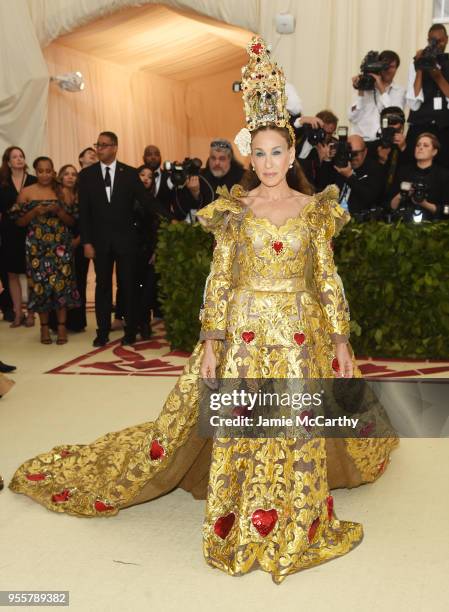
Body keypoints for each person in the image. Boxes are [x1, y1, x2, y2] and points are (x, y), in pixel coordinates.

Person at [9, 37, 397, 584]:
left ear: (291, 154)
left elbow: (327, 280)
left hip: (300, 334)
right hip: (242, 329)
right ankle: (241, 502)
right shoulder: (233, 211)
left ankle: (296, 509)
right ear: (248, 156)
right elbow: (220, 278)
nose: (267, 163)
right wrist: (211, 342)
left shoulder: (317, 211)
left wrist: (339, 344)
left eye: (276, 152)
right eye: (257, 153)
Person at [78, 131, 156, 347]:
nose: (99, 149)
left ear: (114, 147)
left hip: (126, 241)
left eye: (104, 145)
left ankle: (131, 330)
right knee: (102, 285)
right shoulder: (86, 175)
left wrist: (172, 218)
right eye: (98, 145)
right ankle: (102, 331)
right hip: (99, 242)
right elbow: (83, 212)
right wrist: (86, 242)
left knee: (128, 285)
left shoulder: (130, 173)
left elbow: (147, 203)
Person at [10, 157, 80, 344]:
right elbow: (18, 222)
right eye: (40, 171)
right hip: (36, 247)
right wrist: (33, 212)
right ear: (35, 171)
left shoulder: (62, 191)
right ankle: (44, 329)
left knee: (61, 286)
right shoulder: (26, 192)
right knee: (40, 287)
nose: (45, 174)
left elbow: (73, 222)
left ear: (53, 172)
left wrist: (59, 211)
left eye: (48, 171)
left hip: (61, 246)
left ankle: (62, 328)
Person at [0, 146, 37, 327]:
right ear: (8, 162)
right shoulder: (2, 182)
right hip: (8, 232)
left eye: (21, 156)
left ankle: (31, 313)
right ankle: (17, 313)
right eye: (15, 157)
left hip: (30, 231)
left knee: (30, 272)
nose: (19, 159)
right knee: (12, 274)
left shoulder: (33, 180)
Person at [406, 24, 449, 168]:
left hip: (444, 128)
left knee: (443, 170)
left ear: (447, 40)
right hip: (419, 126)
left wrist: (437, 76)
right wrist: (419, 67)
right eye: (432, 41)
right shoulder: (417, 62)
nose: (436, 45)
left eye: (440, 41)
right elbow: (413, 103)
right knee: (412, 168)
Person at [315, 134, 386, 217]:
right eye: (350, 153)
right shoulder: (339, 164)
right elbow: (321, 188)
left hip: (358, 220)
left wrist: (350, 177)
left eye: (356, 153)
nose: (353, 157)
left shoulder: (374, 169)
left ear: (365, 151)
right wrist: (327, 161)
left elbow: (370, 197)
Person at [175, 139, 245, 220]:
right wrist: (195, 193)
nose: (216, 163)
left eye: (221, 159)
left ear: (229, 159)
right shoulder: (201, 177)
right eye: (213, 158)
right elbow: (186, 210)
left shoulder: (243, 177)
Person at [349, 50, 406, 148]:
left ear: (397, 69)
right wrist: (361, 91)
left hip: (385, 144)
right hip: (362, 144)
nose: (388, 70)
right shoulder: (366, 87)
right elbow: (352, 117)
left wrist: (381, 88)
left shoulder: (400, 91)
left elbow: (395, 117)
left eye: (392, 66)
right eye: (385, 66)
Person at [389, 132, 449, 221]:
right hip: (403, 224)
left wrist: (425, 204)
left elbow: (447, 210)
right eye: (418, 145)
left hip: (433, 226)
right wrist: (401, 195)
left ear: (434, 151)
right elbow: (389, 206)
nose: (420, 148)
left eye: (426, 145)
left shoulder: (444, 175)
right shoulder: (403, 171)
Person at [58, 164, 88, 332]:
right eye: (66, 174)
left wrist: (78, 240)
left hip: (81, 242)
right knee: (60, 284)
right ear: (61, 176)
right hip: (58, 245)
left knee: (79, 283)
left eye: (74, 174)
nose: (70, 177)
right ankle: (59, 323)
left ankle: (77, 323)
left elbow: (89, 220)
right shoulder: (55, 195)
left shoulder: (82, 195)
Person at [295, 110, 339, 187]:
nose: (327, 137)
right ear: (315, 126)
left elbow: (327, 183)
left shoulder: (334, 146)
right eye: (325, 132)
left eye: (331, 133)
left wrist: (326, 161)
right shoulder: (301, 138)